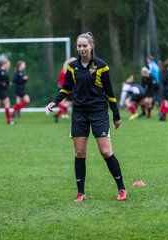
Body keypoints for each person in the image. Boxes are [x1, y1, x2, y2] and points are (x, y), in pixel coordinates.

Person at [47, 32, 127, 202]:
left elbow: (110, 93)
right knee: (80, 152)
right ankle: (81, 193)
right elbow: (66, 88)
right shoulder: (72, 67)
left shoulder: (101, 66)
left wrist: (116, 115)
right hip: (79, 114)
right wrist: (55, 102)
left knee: (106, 152)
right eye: (79, 46)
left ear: (91, 47)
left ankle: (121, 189)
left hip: (99, 113)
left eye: (85, 45)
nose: (82, 48)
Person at [53, 57, 77, 123]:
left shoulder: (65, 70)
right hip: (66, 88)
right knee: (67, 102)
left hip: (65, 88)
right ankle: (53, 108)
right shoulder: (68, 71)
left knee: (64, 103)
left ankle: (56, 114)